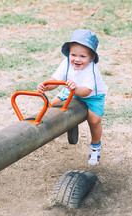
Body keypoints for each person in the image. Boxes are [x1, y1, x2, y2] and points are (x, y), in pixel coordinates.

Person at [37, 29, 108, 166]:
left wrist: (74, 89)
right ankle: (69, 126)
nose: (77, 59)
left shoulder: (91, 70)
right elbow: (55, 80)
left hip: (92, 95)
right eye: (73, 54)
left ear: (92, 58)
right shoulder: (66, 63)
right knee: (55, 103)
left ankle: (95, 147)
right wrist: (46, 86)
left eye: (82, 56)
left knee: (94, 119)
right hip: (72, 89)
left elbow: (86, 91)